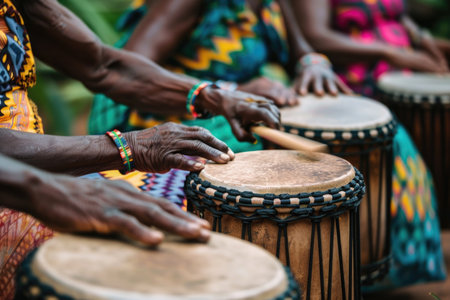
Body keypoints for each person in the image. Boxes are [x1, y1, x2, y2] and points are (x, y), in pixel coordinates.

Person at [0, 0, 280, 298]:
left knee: (201, 198)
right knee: (176, 220)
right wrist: (127, 147)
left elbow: (103, 65)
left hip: (36, 174)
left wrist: (213, 96)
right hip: (20, 188)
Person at [291, 0, 447, 290]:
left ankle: (399, 267)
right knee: (394, 152)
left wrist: (423, 40)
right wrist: (390, 52)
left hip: (397, 79)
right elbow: (314, 36)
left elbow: (397, 16)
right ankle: (370, 272)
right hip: (350, 88)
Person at [88, 0, 352, 153]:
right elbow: (130, 73)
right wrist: (232, 89)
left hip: (228, 101)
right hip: (155, 109)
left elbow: (300, 50)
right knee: (261, 148)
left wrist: (314, 64)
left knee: (373, 134)